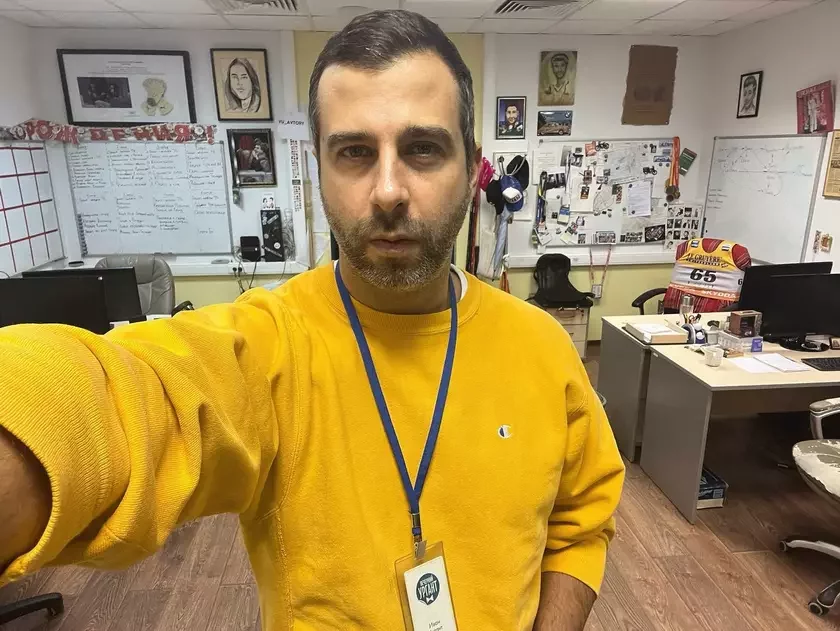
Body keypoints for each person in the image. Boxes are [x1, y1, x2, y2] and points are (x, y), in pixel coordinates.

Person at [0, 10, 624, 631]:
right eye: (354, 152)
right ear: (318, 169)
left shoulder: (543, 348)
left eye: (423, 148)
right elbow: (130, 397)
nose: (388, 190)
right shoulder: (268, 346)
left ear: (471, 169)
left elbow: (581, 520)